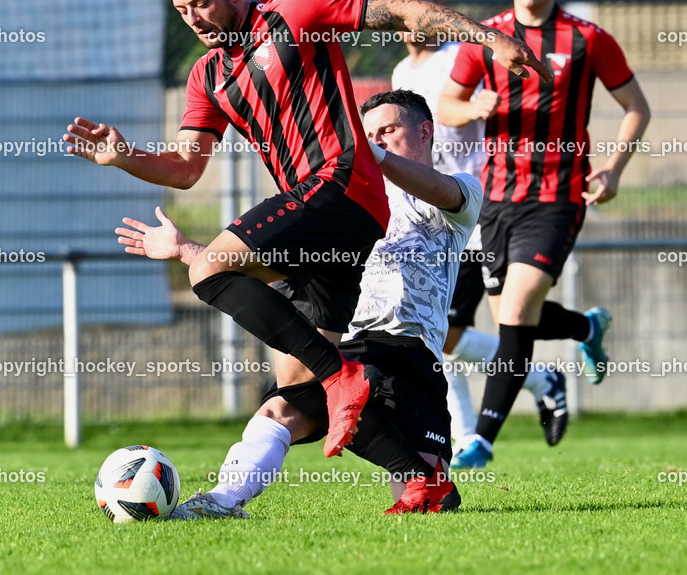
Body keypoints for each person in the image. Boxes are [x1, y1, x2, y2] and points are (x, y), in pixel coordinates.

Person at [66, 0, 550, 459]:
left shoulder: (296, 12)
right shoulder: (206, 77)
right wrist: (125, 156)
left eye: (202, 2)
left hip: (341, 184)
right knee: (295, 388)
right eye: (182, 10)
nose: (194, 18)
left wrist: (490, 37)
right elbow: (186, 168)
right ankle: (415, 476)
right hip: (320, 218)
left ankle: (342, 375)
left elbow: (404, 12)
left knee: (209, 271)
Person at [116, 89, 481, 516]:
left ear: (425, 131)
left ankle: (422, 476)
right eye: (368, 135)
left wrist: (370, 154)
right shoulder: (344, 206)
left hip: (409, 353)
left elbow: (440, 189)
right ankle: (222, 501)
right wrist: (186, 250)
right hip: (343, 347)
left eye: (389, 130)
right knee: (280, 408)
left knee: (429, 503)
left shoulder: (458, 193)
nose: (376, 141)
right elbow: (266, 276)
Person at [436, 0, 651, 468]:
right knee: (513, 316)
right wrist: (472, 106)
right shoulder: (486, 39)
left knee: (515, 306)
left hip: (557, 196)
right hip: (495, 200)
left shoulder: (587, 39)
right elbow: (445, 105)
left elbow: (636, 107)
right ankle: (586, 328)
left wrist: (615, 169)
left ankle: (481, 442)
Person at [390, 0, 578, 451]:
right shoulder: (401, 73)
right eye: (398, 5)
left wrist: (476, 107)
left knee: (444, 330)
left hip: (474, 216)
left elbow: (479, 114)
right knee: (439, 332)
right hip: (430, 221)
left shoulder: (463, 57)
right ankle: (535, 385)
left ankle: (469, 437)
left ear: (438, 11)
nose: (408, 16)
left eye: (419, 5)